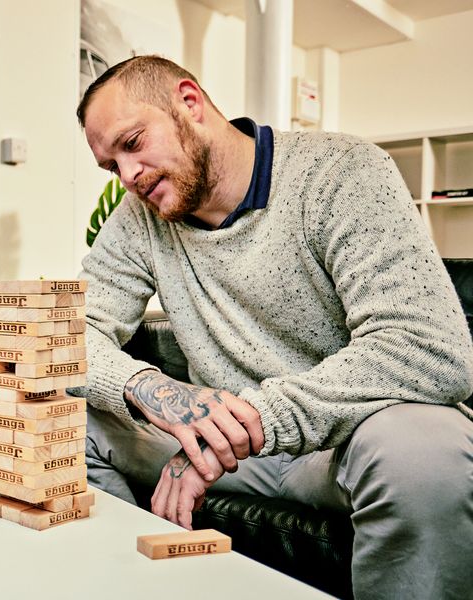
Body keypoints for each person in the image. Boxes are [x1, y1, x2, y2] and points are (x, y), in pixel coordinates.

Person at [75, 55, 473, 599]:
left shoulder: (341, 171)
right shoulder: (139, 219)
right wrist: (150, 390)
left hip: (340, 446)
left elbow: (430, 348)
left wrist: (249, 421)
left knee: (426, 453)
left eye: (134, 142)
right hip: (233, 451)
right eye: (110, 166)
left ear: (189, 103)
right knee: (68, 420)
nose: (128, 176)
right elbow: (71, 334)